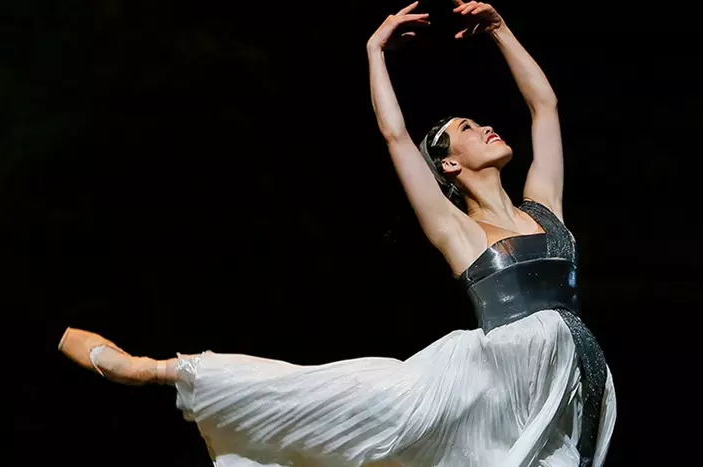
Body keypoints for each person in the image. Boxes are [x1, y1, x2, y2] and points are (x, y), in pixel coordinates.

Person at [57, 1, 615, 465]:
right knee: (353, 400)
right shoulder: (458, 231)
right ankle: (155, 369)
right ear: (448, 166)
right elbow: (396, 137)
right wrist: (374, 52)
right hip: (480, 390)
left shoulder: (544, 211)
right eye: (467, 129)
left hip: (567, 387)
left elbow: (545, 106)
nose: (487, 126)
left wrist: (498, 29)